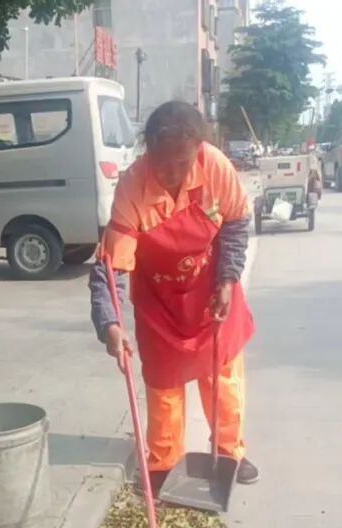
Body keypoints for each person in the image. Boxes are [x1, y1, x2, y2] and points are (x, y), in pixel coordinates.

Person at [89, 100, 259, 491]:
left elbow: (235, 223)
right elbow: (111, 267)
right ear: (148, 151)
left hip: (212, 290)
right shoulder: (132, 187)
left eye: (183, 163)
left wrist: (227, 279)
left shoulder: (215, 166)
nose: (173, 173)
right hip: (160, 298)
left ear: (197, 151)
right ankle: (163, 462)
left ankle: (229, 453)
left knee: (223, 378)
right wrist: (110, 323)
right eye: (163, 163)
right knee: (164, 384)